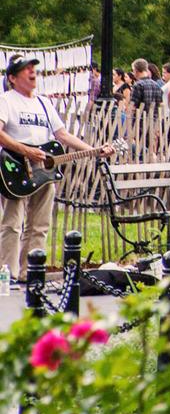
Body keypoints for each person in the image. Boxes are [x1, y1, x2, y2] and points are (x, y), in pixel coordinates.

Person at [0, 56, 107, 276]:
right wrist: (26, 151)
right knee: (13, 223)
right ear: (12, 77)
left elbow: (62, 135)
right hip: (16, 166)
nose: (32, 72)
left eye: (33, 68)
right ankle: (7, 274)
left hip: (44, 171)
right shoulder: (6, 100)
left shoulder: (44, 102)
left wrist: (94, 149)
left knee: (40, 224)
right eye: (25, 69)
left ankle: (31, 271)